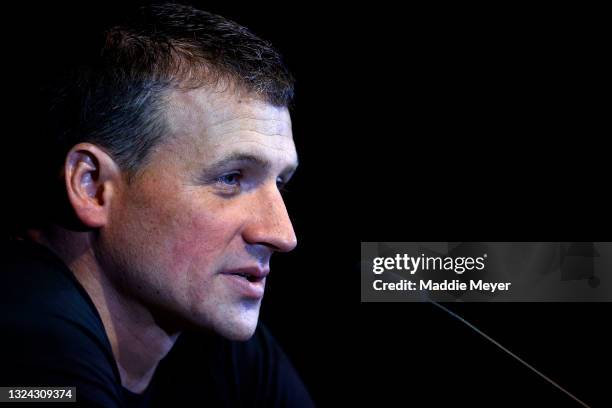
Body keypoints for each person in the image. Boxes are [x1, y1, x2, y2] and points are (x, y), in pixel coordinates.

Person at [0, 2, 314, 407]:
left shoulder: (211, 336)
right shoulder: (27, 336)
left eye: (281, 183)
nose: (282, 235)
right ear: (93, 186)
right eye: (231, 178)